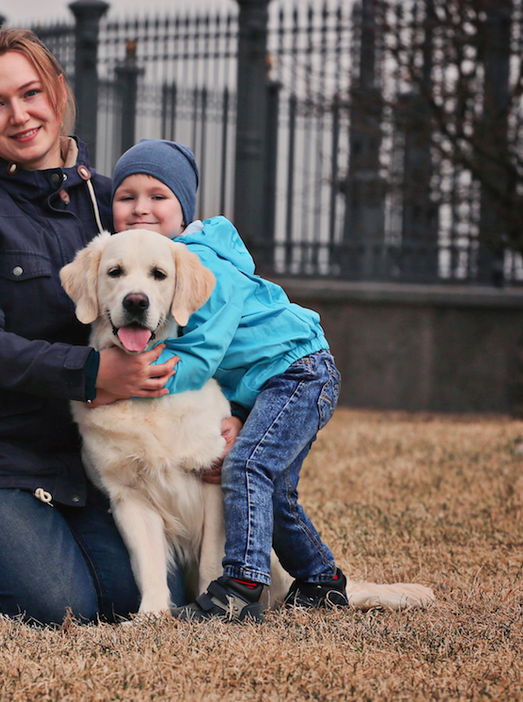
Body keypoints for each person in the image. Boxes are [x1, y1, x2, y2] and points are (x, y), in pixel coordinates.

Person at [0, 29, 180, 626]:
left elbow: (187, 300)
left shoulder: (115, 202)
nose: (19, 115)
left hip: (88, 459)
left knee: (148, 599)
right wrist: (93, 373)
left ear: (58, 90)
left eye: (30, 93)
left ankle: (13, 558)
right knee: (63, 609)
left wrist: (228, 414)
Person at [109, 138, 348, 622]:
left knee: (245, 469)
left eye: (158, 196)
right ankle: (323, 581)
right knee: (274, 490)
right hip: (277, 379)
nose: (141, 208)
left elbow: (203, 355)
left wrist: (125, 381)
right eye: (126, 196)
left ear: (184, 209)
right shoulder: (155, 263)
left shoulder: (202, 264)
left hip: (296, 373)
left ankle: (241, 584)